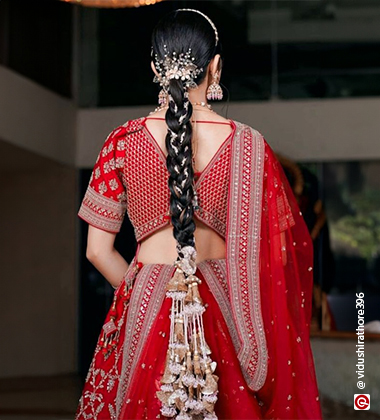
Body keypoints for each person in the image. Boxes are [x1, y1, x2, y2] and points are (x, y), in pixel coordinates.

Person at [75, 8, 323, 420]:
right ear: (216, 66)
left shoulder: (123, 141)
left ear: (155, 67)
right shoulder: (249, 145)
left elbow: (97, 251)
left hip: (146, 307)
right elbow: (278, 257)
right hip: (225, 309)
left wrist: (146, 292)